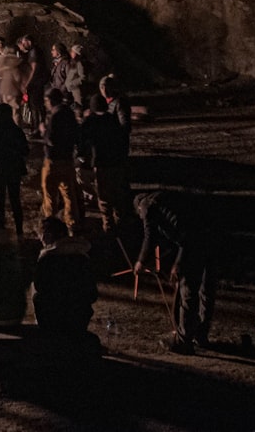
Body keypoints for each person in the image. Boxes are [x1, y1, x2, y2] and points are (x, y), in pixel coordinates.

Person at [134, 191, 216, 355]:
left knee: (188, 290)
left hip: (196, 240)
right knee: (206, 287)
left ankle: (183, 341)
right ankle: (200, 334)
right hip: (212, 232)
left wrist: (141, 261)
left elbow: (151, 236)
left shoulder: (147, 206)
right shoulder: (164, 201)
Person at [33, 217, 97, 337]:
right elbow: (92, 294)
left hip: (53, 319)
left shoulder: (47, 260)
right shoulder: (83, 258)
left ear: (47, 236)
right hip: (80, 317)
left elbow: (39, 287)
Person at [78, 93, 130, 234]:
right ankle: (121, 223)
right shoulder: (112, 120)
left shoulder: (90, 122)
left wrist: (82, 156)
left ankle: (108, 227)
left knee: (104, 196)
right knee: (117, 193)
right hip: (117, 162)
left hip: (101, 163)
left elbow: (81, 142)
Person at [0, 103, 30, 239]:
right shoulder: (17, 131)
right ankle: (19, 230)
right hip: (14, 169)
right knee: (15, 200)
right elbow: (25, 150)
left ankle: (0, 229)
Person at [41, 88, 82, 235]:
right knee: (68, 193)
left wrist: (43, 131)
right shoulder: (69, 114)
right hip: (67, 159)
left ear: (50, 100)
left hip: (53, 161)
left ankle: (50, 225)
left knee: (50, 193)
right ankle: (72, 225)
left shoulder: (55, 115)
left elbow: (50, 139)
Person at [65, 44, 88, 112]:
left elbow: (83, 78)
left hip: (77, 92)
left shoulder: (80, 64)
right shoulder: (74, 63)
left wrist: (71, 83)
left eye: (72, 51)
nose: (71, 53)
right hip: (72, 91)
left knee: (79, 110)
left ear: (76, 53)